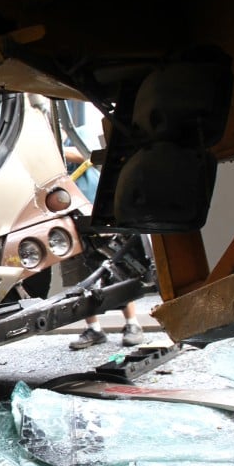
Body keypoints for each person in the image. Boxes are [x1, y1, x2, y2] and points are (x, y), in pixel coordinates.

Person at [64, 140, 145, 350]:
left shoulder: (76, 135)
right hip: (68, 223)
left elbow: (86, 154)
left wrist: (54, 152)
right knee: (81, 279)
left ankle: (132, 324)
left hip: (95, 216)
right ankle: (94, 329)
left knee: (116, 270)